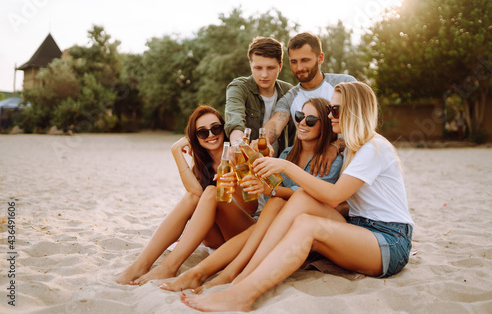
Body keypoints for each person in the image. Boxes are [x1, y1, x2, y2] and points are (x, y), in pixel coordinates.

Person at [181, 82, 414, 312]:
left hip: (389, 240)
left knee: (307, 224)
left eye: (335, 110)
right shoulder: (354, 146)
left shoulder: (373, 147)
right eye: (330, 109)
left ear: (354, 111)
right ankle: (240, 276)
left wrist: (286, 167)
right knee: (301, 200)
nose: (331, 114)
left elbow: (334, 196)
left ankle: (243, 293)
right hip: (360, 229)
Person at [158, 98, 344, 293]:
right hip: (267, 221)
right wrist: (255, 173)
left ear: (325, 124)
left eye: (312, 119)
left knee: (272, 206)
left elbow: (314, 197)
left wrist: (268, 189)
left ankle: (210, 274)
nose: (303, 122)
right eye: (300, 116)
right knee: (232, 200)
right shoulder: (287, 154)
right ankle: (195, 272)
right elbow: (268, 186)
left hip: (295, 232)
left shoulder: (329, 160)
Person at [116, 105, 257, 285]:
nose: (211, 135)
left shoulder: (240, 155)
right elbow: (196, 195)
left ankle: (169, 267)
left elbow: (251, 207)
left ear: (224, 129)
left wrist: (235, 177)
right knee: (194, 197)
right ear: (195, 138)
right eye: (202, 132)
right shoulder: (201, 166)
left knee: (212, 191)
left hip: (243, 231)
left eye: (216, 128)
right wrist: (176, 152)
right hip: (215, 240)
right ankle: (140, 265)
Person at [264, 32, 356, 176]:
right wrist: (263, 141)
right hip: (319, 172)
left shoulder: (345, 84)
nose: (299, 67)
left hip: (352, 167)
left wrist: (335, 146)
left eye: (305, 60)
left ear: (320, 58)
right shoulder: (290, 97)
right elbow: (276, 122)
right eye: (294, 62)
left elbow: (363, 125)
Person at [224, 36, 295, 155]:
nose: (264, 74)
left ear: (280, 66)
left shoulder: (289, 91)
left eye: (270, 68)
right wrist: (239, 146)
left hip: (280, 164)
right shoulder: (239, 87)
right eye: (258, 68)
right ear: (250, 65)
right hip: (246, 161)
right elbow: (234, 119)